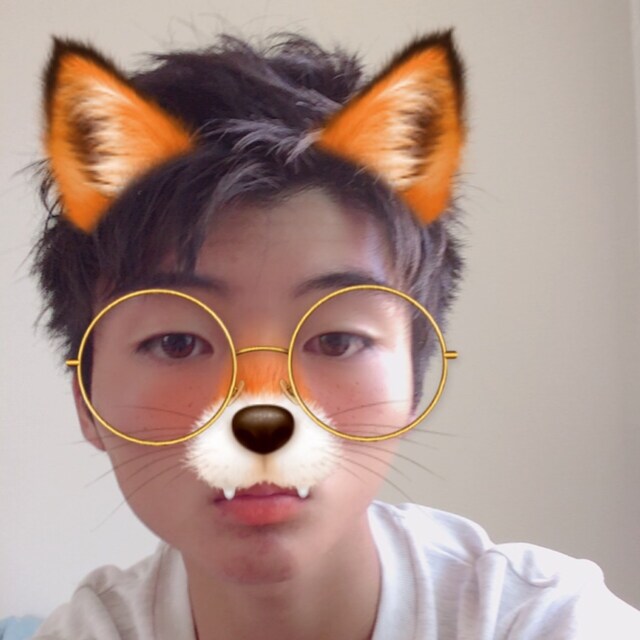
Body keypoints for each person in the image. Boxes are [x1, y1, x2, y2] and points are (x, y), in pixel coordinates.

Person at [29, 30, 639, 640]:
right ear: (87, 402)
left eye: (336, 341)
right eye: (177, 344)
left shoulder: (547, 622)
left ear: (413, 380)